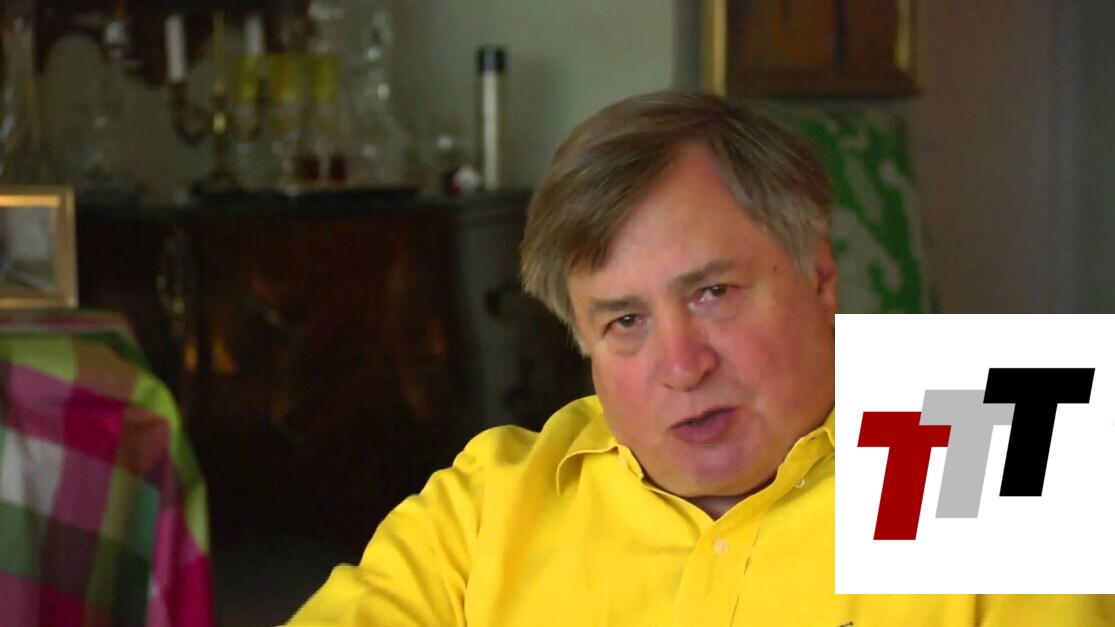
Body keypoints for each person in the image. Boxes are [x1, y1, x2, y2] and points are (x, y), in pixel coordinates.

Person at [288, 90, 1113, 625]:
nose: (681, 366)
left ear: (819, 276)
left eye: (713, 292)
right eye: (624, 320)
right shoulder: (492, 500)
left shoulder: (998, 432)